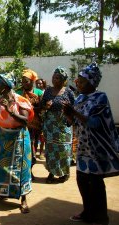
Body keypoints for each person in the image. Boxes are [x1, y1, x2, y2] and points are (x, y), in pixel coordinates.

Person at [63, 63, 119, 225]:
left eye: (82, 81)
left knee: (95, 183)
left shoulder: (100, 97)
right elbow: (73, 122)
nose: (78, 83)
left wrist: (74, 112)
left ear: (92, 83)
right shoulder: (80, 98)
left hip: (96, 148)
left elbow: (94, 123)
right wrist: (69, 115)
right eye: (78, 80)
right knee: (82, 180)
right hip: (83, 147)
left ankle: (101, 217)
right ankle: (87, 212)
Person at [0, 72, 34, 213]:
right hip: (2, 137)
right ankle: (4, 192)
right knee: (0, 167)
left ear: (7, 86)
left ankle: (23, 199)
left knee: (21, 169)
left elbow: (25, 121)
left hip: (18, 138)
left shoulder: (20, 100)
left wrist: (9, 110)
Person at [41, 67, 75, 183]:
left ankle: (64, 173)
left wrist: (69, 115)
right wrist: (46, 106)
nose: (55, 80)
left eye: (58, 78)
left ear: (63, 79)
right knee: (50, 150)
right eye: (54, 77)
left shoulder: (68, 92)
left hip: (63, 125)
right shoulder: (48, 91)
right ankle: (51, 172)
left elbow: (74, 107)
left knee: (63, 149)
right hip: (50, 125)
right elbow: (41, 105)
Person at [16, 69, 43, 179]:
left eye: (26, 81)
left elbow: (42, 108)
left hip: (35, 125)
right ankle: (23, 172)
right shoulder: (18, 93)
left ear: (32, 81)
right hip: (21, 124)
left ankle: (29, 170)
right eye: (22, 81)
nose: (23, 83)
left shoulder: (39, 93)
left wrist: (31, 108)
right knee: (23, 149)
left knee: (33, 149)